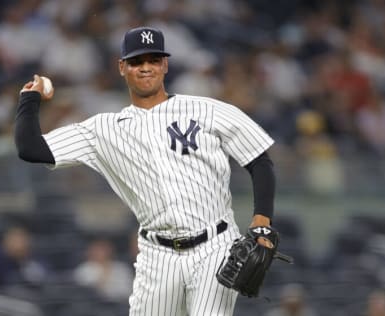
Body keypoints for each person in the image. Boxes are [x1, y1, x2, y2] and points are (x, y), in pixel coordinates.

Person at [15, 26, 277, 316]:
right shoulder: (102, 129)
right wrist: (29, 100)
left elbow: (258, 159)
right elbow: (32, 149)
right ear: (122, 67)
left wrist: (261, 221)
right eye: (137, 62)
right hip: (157, 254)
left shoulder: (207, 110)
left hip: (215, 245)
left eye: (153, 60)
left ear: (165, 64)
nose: (146, 68)